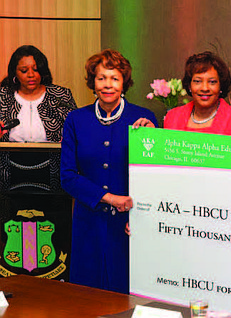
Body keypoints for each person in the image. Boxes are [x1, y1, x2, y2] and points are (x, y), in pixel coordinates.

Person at [60, 49, 157, 294]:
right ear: (93, 82)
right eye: (101, 78)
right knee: (86, 296)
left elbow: (155, 178)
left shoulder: (144, 119)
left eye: (114, 78)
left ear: (124, 83)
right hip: (87, 223)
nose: (107, 85)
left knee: (127, 295)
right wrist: (110, 198)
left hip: (128, 224)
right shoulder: (76, 119)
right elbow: (68, 176)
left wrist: (154, 136)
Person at [0, 45, 77, 191]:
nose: (31, 75)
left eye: (36, 70)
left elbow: (77, 131)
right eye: (24, 70)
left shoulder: (60, 95)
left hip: (53, 170)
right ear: (14, 73)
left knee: (52, 213)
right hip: (7, 172)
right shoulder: (2, 96)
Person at [163, 51, 231, 136]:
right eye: (197, 81)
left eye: (212, 82)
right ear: (189, 85)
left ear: (220, 85)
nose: (205, 88)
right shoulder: (172, 117)